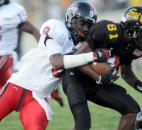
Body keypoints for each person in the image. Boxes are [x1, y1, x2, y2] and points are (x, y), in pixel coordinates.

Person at [0, 1, 112, 130]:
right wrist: (94, 56)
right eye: (82, 23)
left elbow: (79, 64)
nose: (85, 29)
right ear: (71, 20)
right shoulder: (57, 28)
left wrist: (100, 76)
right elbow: (56, 61)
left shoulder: (81, 47)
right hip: (17, 86)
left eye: (89, 25)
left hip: (38, 97)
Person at [62, 5, 142, 130]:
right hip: (76, 77)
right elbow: (76, 58)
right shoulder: (108, 30)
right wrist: (98, 77)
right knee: (82, 125)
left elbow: (127, 74)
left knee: (132, 110)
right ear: (132, 29)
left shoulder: (130, 47)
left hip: (98, 82)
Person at [0, 0, 40, 88]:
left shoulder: (11, 11)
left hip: (5, 54)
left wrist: (45, 49)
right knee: (8, 88)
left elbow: (33, 30)